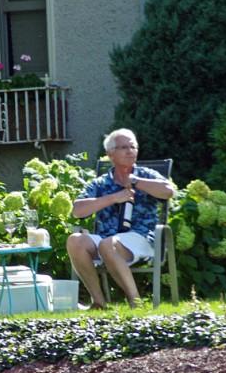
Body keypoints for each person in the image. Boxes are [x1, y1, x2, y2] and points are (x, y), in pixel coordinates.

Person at [67, 128, 175, 308]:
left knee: (108, 244)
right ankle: (99, 303)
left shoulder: (146, 175)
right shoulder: (101, 183)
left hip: (142, 237)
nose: (130, 151)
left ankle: (136, 302)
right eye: (124, 147)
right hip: (105, 238)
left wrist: (136, 182)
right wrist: (113, 198)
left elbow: (168, 191)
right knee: (75, 241)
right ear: (110, 154)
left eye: (133, 146)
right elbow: (77, 210)